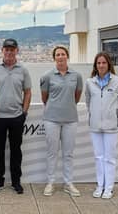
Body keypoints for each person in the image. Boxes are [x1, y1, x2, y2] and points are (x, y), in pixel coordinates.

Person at [0, 38, 32, 194]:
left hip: (17, 117)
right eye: (7, 49)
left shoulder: (23, 70)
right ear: (2, 51)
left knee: (16, 150)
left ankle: (16, 181)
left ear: (17, 51)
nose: (9, 52)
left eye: (12, 49)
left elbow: (28, 92)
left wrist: (24, 112)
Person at [85, 52, 118, 199]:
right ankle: (100, 186)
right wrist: (93, 115)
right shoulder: (90, 83)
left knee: (109, 158)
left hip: (111, 127)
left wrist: (116, 118)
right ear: (95, 66)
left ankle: (109, 188)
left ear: (109, 64)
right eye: (98, 63)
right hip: (95, 126)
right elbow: (88, 102)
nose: (101, 65)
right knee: (98, 157)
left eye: (104, 63)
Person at [40, 46, 83, 197]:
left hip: (70, 119)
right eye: (57, 55)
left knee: (68, 153)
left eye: (63, 54)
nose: (60, 57)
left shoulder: (76, 76)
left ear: (67, 56)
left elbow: (76, 97)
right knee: (52, 152)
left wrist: (67, 106)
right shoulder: (47, 76)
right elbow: (44, 98)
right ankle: (50, 182)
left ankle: (68, 183)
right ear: (54, 58)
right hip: (51, 119)